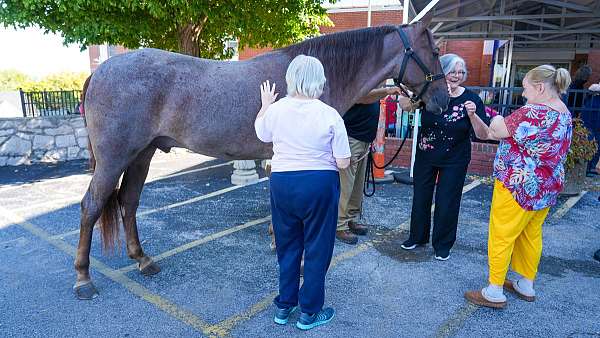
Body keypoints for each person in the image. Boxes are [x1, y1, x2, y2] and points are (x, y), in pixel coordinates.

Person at [254, 54, 351, 330]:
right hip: (319, 183)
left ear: (290, 78)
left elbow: (262, 133)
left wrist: (264, 106)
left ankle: (284, 306)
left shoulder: (276, 110)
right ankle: (309, 312)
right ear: (319, 82)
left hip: (282, 182)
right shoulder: (329, 114)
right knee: (317, 247)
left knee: (287, 245)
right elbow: (343, 161)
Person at [464, 65, 572, 308]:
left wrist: (498, 116)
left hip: (518, 185)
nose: (523, 95)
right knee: (531, 235)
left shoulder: (533, 111)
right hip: (546, 186)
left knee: (502, 234)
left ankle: (494, 290)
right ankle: (526, 283)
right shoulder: (563, 112)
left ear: (540, 87)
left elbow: (496, 130)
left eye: (525, 89)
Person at [400, 53, 489, 260]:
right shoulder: (431, 92)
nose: (456, 76)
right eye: (452, 72)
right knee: (421, 197)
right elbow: (404, 105)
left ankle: (443, 244)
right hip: (426, 155)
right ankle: (417, 237)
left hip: (455, 159)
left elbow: (483, 135)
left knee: (447, 201)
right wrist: (419, 95)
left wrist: (473, 115)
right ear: (442, 73)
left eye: (460, 72)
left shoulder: (472, 99)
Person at [336, 86, 413, 245]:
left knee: (357, 184)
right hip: (351, 136)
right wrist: (386, 91)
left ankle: (350, 218)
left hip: (364, 138)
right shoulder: (359, 73)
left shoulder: (374, 76)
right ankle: (339, 225)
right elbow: (359, 95)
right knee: (346, 184)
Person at [582, 83, 600, 176]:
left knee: (594, 145)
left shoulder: (591, 96)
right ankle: (589, 168)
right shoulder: (594, 88)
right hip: (591, 121)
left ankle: (590, 168)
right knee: (592, 145)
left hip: (592, 121)